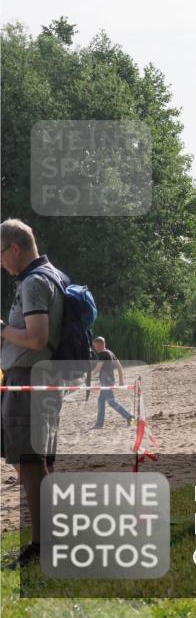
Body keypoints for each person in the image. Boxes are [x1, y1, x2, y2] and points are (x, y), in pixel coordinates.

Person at [0, 219, 66, 569]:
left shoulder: (35, 282)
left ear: (14, 248)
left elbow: (37, 337)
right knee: (34, 462)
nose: (1, 263)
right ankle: (48, 539)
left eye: (0, 254)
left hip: (29, 378)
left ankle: (42, 545)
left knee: (30, 462)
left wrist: (4, 330)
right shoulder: (50, 275)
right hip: (38, 378)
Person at [89, 337, 135, 429]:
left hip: (106, 381)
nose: (95, 349)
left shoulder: (103, 354)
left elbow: (97, 369)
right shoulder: (110, 352)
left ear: (100, 345)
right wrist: (121, 380)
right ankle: (99, 424)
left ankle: (130, 417)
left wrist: (87, 377)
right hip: (110, 380)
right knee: (101, 401)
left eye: (95, 346)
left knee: (112, 402)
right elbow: (119, 366)